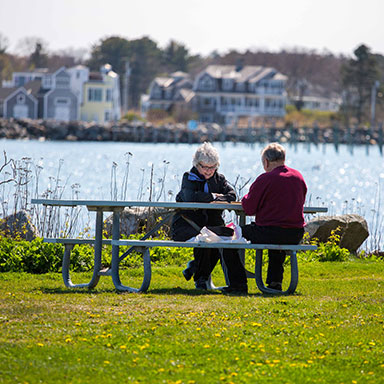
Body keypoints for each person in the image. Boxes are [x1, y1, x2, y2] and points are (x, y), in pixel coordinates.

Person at [171, 142, 247, 293]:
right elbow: (190, 197)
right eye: (204, 167)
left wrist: (211, 197)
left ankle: (199, 270)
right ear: (196, 164)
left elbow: (232, 195)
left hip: (212, 225)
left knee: (225, 238)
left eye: (212, 167)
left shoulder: (220, 179)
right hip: (187, 225)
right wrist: (214, 196)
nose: (208, 171)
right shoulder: (189, 177)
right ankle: (200, 278)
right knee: (205, 239)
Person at [240, 142, 307, 291]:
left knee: (232, 235)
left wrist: (244, 198)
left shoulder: (265, 179)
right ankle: (275, 281)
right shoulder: (298, 177)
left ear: (266, 162)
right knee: (277, 235)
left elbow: (249, 208)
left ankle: (237, 282)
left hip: (269, 232)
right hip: (295, 233)